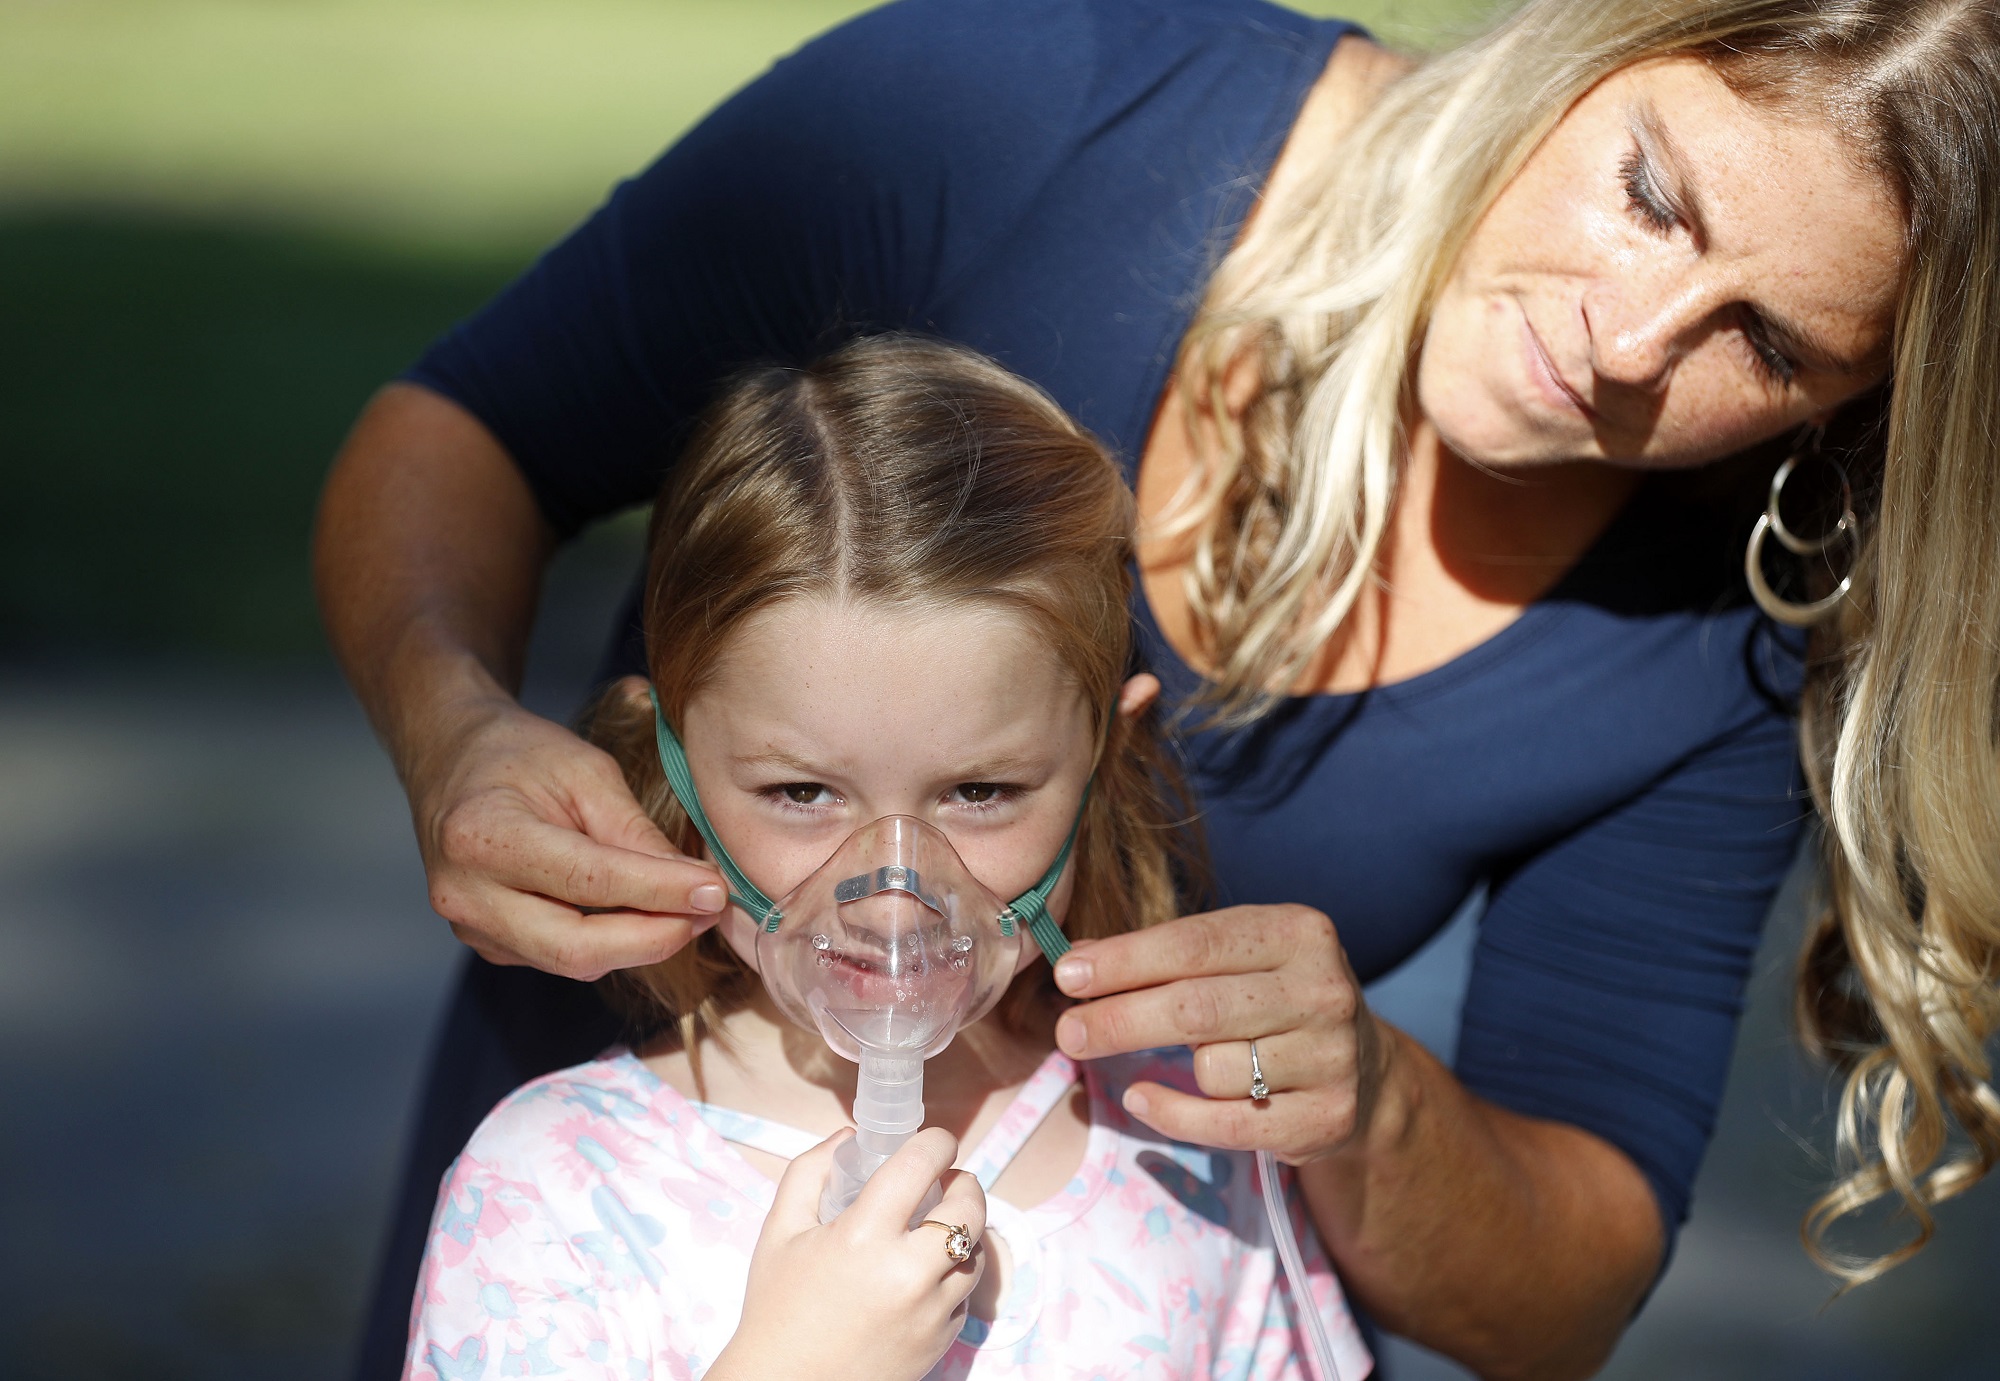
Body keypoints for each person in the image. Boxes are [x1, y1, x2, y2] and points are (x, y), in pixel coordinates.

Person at [314, 0, 2000, 1376]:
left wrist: (1367, 1099)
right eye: (1649, 194)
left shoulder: (1719, 624)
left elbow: (1563, 1289)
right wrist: (451, 726)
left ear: (1857, 408)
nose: (1630, 343)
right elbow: (474, 427)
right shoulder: (1015, 111)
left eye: (1768, 343)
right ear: (1582, 41)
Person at [401, 333, 1374, 1381]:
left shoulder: (1190, 1145)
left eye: (980, 792)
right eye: (801, 792)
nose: (895, 901)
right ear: (669, 760)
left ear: (1108, 757)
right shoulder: (553, 1195)